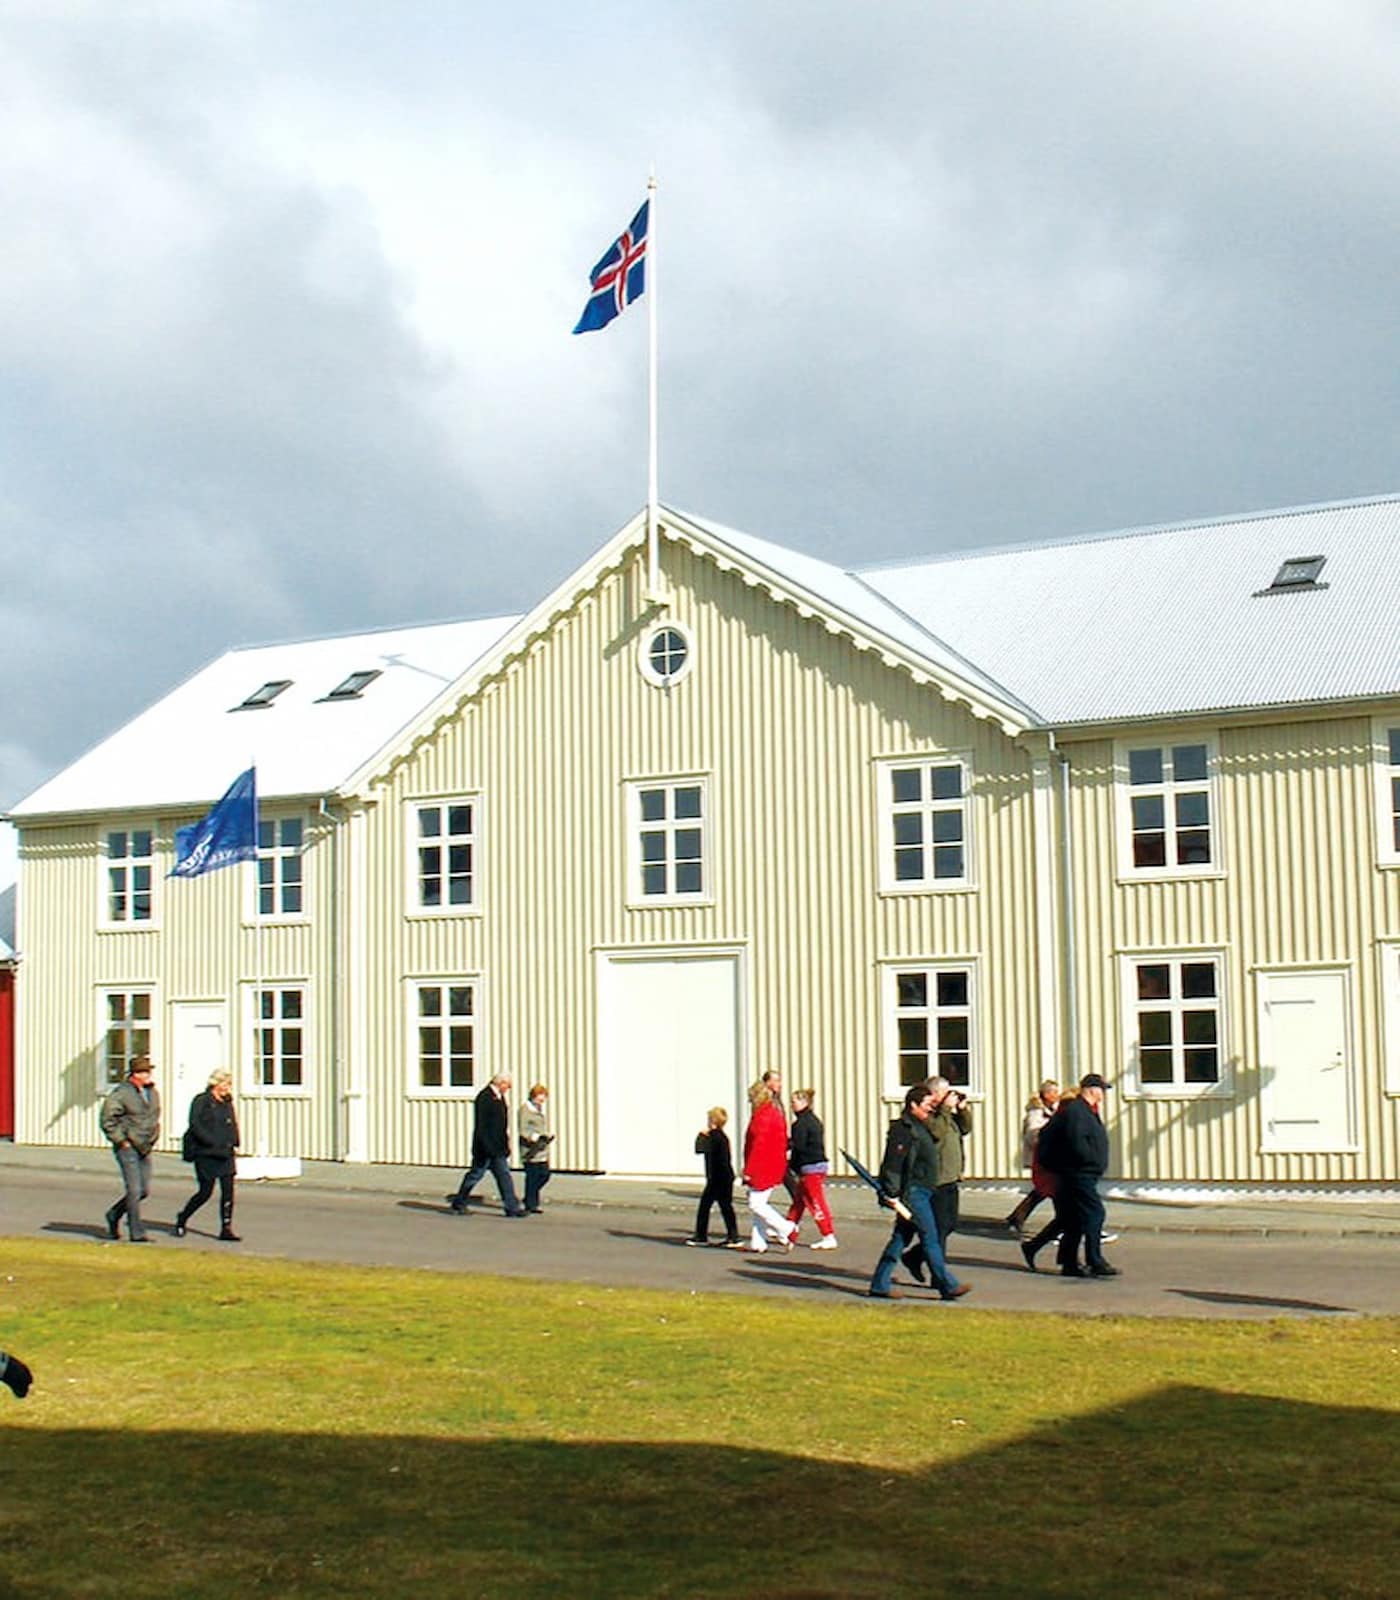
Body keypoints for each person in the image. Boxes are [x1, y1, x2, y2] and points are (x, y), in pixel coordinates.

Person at [869, 1084, 971, 1301]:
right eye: (926, 1105)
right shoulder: (903, 1130)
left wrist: (955, 1108)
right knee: (930, 1237)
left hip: (925, 1190)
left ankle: (880, 1284)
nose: (929, 1109)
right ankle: (948, 1285)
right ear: (913, 1105)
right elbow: (893, 1164)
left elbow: (949, 1130)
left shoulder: (923, 1125)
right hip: (912, 1192)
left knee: (900, 1238)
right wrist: (892, 1193)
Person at [1036, 1073, 1119, 1278]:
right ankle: (1094, 1259)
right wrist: (1090, 1160)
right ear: (1092, 1090)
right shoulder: (1077, 1111)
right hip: (1079, 1173)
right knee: (1095, 1213)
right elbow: (1077, 1142)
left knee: (1075, 1218)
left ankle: (1069, 1262)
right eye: (1101, 1090)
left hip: (1084, 1172)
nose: (1103, 1094)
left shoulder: (1086, 1110)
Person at [900, 1076, 971, 1281]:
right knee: (938, 1229)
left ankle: (914, 1256)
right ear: (934, 1093)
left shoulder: (945, 1115)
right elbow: (937, 1133)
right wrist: (946, 1109)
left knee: (950, 1224)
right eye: (945, 1091)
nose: (949, 1095)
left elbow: (964, 1129)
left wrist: (963, 1109)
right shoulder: (929, 1116)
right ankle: (938, 1276)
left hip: (951, 1177)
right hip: (935, 1180)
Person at [174, 1069, 242, 1241]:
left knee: (228, 1191)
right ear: (215, 1084)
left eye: (229, 1084)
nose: (227, 1088)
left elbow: (231, 1123)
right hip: (206, 1152)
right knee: (205, 1192)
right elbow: (195, 1124)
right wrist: (210, 1141)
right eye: (225, 1084)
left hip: (226, 1152)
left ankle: (226, 1227)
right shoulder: (201, 1101)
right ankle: (183, 1217)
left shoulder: (227, 1102)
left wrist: (235, 1140)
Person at [100, 1055, 161, 1243]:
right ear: (134, 1074)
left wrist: (154, 1136)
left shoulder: (152, 1092)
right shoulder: (121, 1093)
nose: (147, 1075)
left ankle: (114, 1214)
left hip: (145, 1146)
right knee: (134, 1190)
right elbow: (107, 1120)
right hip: (127, 1147)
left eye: (148, 1071)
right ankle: (137, 1232)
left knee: (143, 1190)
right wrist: (121, 1140)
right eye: (143, 1072)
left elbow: (153, 1117)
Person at [446, 1075, 526, 1216]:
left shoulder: (499, 1097)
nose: (509, 1088)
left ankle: (511, 1207)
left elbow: (501, 1126)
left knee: (502, 1176)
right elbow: (482, 1126)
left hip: (497, 1147)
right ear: (500, 1083)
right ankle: (459, 1203)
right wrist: (487, 1147)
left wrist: (505, 1144)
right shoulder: (485, 1097)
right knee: (476, 1175)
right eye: (507, 1084)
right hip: (486, 1148)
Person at [740, 1079, 796, 1253]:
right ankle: (758, 1242)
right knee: (760, 1203)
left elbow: (758, 1145)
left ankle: (787, 1228)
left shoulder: (762, 1117)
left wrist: (748, 1170)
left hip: (763, 1166)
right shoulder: (774, 1114)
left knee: (756, 1204)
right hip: (774, 1163)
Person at [1006, 1080, 1061, 1234]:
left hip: (1049, 1156)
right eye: (1053, 1092)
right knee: (1048, 1189)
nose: (1057, 1095)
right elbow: (1033, 1135)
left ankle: (1017, 1216)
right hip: (1041, 1156)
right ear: (1045, 1094)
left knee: (1042, 1190)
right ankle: (1060, 1224)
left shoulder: (1053, 1110)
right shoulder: (1036, 1112)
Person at [785, 1088, 837, 1249]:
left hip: (810, 1167)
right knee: (799, 1201)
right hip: (817, 1164)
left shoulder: (800, 1124)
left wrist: (791, 1164)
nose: (791, 1105)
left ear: (804, 1103)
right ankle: (788, 1230)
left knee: (815, 1201)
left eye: (794, 1102)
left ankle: (828, 1235)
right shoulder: (813, 1120)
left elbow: (798, 1147)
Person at [687, 1106, 740, 1247]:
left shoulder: (713, 1137)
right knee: (726, 1206)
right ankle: (733, 1236)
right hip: (725, 1176)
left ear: (713, 1121)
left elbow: (699, 1149)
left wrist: (701, 1136)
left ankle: (701, 1236)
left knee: (705, 1206)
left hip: (717, 1177)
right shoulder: (722, 1137)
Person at [518, 1084, 554, 1214]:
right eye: (540, 1098)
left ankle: (529, 1198)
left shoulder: (538, 1108)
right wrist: (535, 1137)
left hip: (541, 1148)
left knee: (544, 1174)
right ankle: (531, 1204)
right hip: (530, 1149)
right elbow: (523, 1130)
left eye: (544, 1098)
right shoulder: (525, 1110)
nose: (542, 1101)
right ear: (533, 1096)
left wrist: (546, 1135)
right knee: (532, 1177)